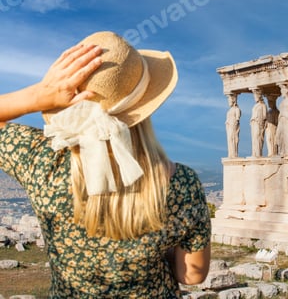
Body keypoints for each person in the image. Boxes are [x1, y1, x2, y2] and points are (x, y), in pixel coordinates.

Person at [0, 31, 211, 298]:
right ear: (145, 103)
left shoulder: (39, 160)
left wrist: (39, 96)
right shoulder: (182, 183)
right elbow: (191, 275)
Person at [276, 83, 288, 157]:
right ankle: (282, 151)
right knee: (280, 136)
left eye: (282, 92)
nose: (281, 94)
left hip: (287, 120)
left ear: (286, 92)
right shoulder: (282, 102)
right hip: (281, 120)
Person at [250, 88, 267, 157]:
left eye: (256, 96)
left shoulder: (263, 106)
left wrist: (262, 123)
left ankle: (258, 153)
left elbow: (265, 116)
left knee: (258, 137)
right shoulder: (255, 106)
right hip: (254, 123)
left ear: (259, 96)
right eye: (254, 96)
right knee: (254, 138)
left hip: (259, 124)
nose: (255, 98)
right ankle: (254, 153)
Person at [225, 93, 241, 158]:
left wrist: (234, 126)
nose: (228, 102)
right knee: (229, 140)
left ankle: (234, 154)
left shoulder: (237, 109)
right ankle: (231, 154)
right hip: (229, 127)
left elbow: (237, 119)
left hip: (233, 126)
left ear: (233, 100)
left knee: (233, 139)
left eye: (229, 101)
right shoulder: (229, 110)